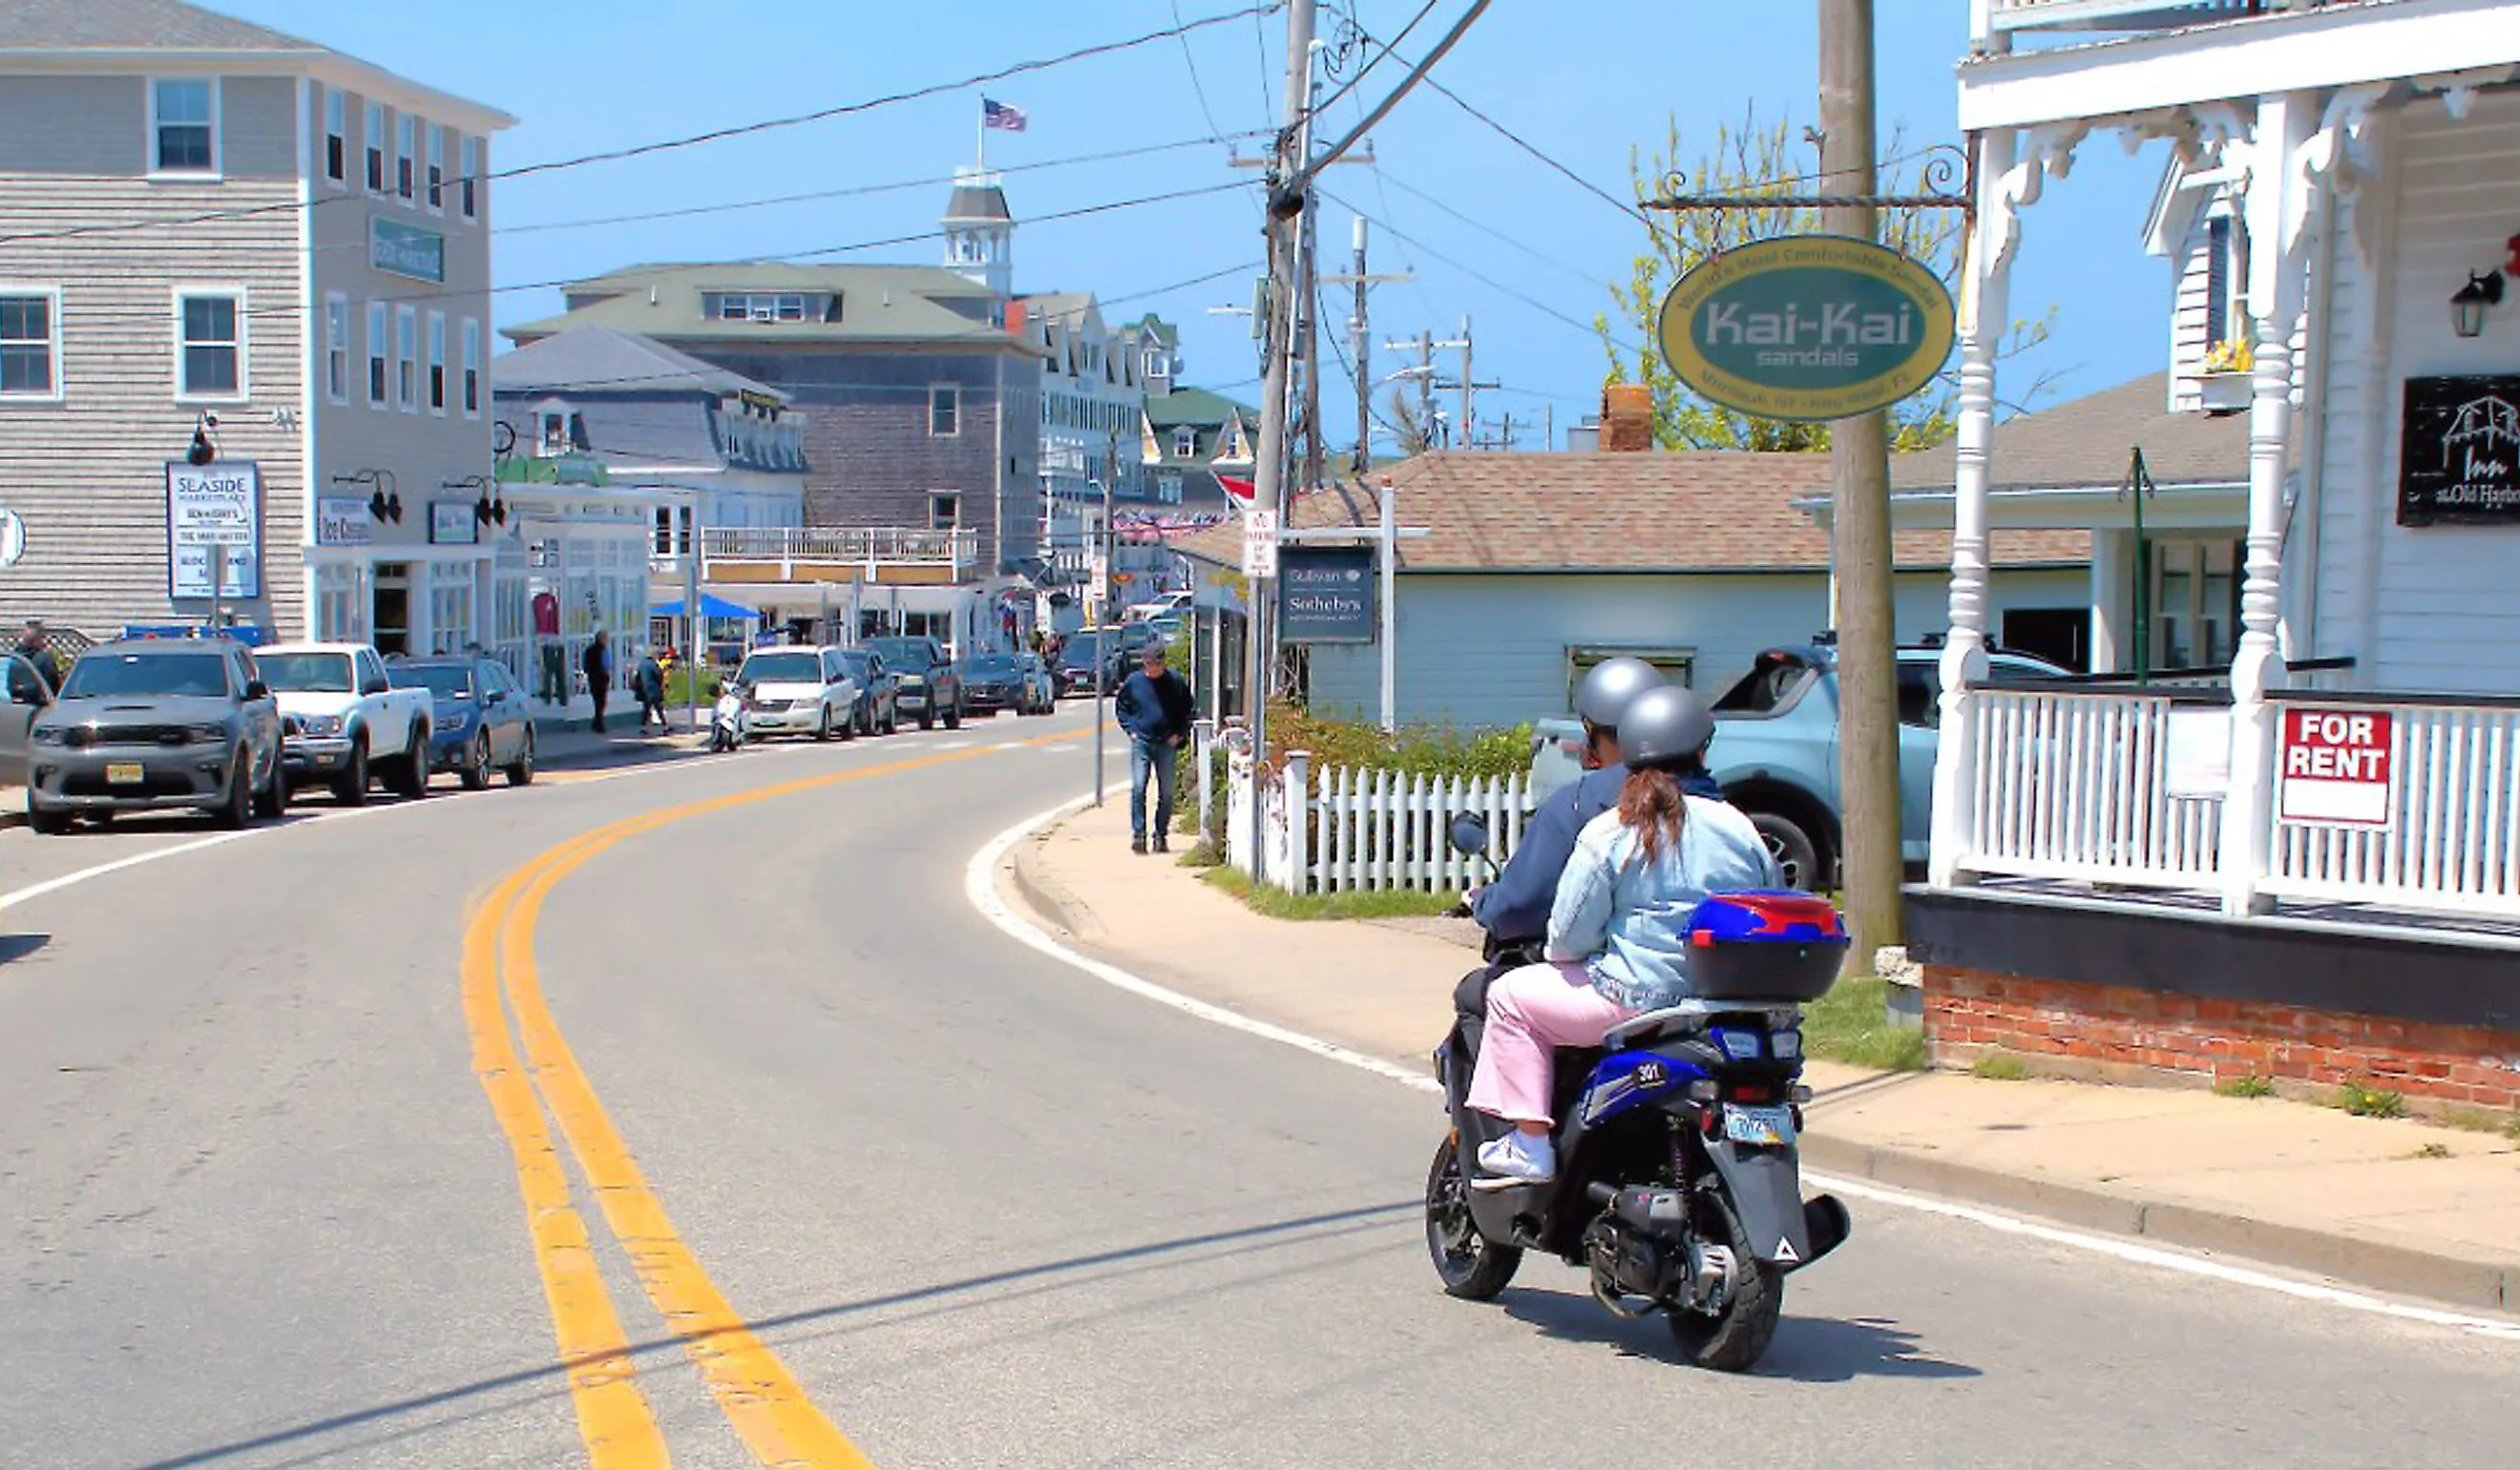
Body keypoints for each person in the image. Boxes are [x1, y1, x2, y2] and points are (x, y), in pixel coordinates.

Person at [1466, 685, 1781, 1187]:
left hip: (1632, 1004)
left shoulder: (1613, 828)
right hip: (1720, 1007)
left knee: (1507, 995)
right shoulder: (1740, 828)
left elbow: (1568, 936)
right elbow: (1771, 904)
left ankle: (1529, 1142)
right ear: (1703, 750)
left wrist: (1573, 955)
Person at [1470, 657, 1722, 947]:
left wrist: (1483, 900)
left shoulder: (1578, 806)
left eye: (1589, 732)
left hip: (1620, 974)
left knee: (1479, 988)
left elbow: (1519, 911)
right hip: (1715, 973)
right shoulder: (1729, 817)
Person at [1114, 640, 1194, 854]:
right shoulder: (1134, 682)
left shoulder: (1175, 682)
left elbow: (1188, 709)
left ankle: (1160, 835)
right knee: (1139, 786)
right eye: (1148, 664)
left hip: (1166, 742)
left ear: (1163, 663)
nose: (1151, 669)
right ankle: (1139, 834)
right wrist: (1130, 730)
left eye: (1155, 665)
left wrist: (1179, 734)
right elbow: (1122, 707)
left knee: (1166, 792)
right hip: (1142, 740)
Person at [582, 630, 613, 734]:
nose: (607, 641)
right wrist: (606, 674)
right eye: (606, 639)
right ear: (601, 639)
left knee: (598, 701)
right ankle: (598, 724)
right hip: (600, 677)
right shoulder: (602, 650)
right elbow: (606, 665)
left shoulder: (589, 650)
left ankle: (596, 723)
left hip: (592, 677)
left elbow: (585, 665)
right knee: (601, 702)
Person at [633, 647, 666, 732]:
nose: (658, 656)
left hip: (644, 690)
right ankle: (664, 727)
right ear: (654, 655)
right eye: (657, 654)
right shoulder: (652, 664)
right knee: (659, 708)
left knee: (646, 709)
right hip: (653, 689)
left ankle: (643, 727)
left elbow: (637, 676)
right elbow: (659, 675)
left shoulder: (642, 663)